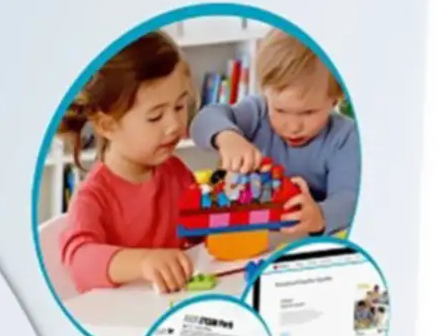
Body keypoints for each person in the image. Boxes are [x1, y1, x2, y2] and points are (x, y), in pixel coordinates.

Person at [58, 30, 197, 293]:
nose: (174, 125)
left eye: (179, 107)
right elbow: (79, 259)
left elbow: (203, 233)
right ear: (107, 125)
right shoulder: (93, 197)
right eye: (155, 117)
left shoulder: (177, 173)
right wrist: (143, 263)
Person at [191, 29, 360, 238]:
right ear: (266, 93)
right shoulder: (257, 111)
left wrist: (321, 215)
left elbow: (349, 197)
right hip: (250, 236)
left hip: (304, 240)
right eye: (280, 110)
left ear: (335, 99)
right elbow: (203, 119)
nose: (293, 126)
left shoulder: (345, 136)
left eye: (308, 112)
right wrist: (227, 136)